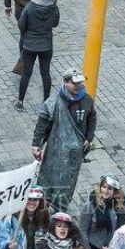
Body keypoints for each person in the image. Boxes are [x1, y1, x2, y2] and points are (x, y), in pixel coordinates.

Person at [32, 70, 97, 208]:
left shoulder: (86, 100)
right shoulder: (54, 102)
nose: (78, 86)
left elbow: (92, 118)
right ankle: (44, 203)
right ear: (65, 82)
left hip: (74, 152)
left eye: (79, 83)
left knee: (68, 180)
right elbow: (42, 122)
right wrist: (36, 144)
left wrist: (89, 138)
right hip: (55, 149)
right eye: (74, 83)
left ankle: (61, 207)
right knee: (49, 177)